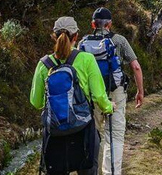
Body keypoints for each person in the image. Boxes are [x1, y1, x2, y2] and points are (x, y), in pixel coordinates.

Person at [30, 17, 114, 175]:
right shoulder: (86, 59)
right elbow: (99, 96)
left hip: (54, 132)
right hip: (83, 130)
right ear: (76, 36)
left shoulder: (43, 64)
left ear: (54, 37)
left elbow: (36, 102)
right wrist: (109, 107)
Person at [79, 7, 144, 175]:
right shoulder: (119, 40)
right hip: (116, 92)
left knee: (95, 135)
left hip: (93, 96)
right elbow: (136, 67)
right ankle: (111, 172)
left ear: (93, 24)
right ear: (110, 24)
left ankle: (94, 171)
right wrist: (140, 91)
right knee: (114, 135)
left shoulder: (83, 43)